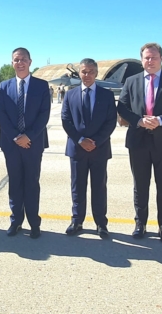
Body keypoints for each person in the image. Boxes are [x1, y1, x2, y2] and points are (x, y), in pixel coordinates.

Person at [117, 43, 162, 244]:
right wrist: (139, 120)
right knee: (140, 185)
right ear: (142, 60)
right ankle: (140, 223)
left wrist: (161, 120)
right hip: (138, 141)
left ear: (161, 59)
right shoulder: (131, 81)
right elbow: (122, 108)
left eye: (154, 57)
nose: (150, 61)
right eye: (147, 58)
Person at [0, 47, 51, 239]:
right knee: (15, 183)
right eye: (16, 60)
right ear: (12, 63)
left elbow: (44, 115)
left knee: (32, 183)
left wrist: (28, 136)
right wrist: (15, 137)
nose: (20, 63)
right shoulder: (4, 86)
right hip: (11, 144)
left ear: (30, 62)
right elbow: (1, 114)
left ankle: (34, 223)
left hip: (33, 143)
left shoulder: (42, 86)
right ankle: (16, 221)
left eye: (23, 59)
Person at [61, 59, 117, 238]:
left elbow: (110, 122)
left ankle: (101, 223)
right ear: (79, 73)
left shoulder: (106, 95)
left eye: (91, 71)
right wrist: (80, 140)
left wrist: (96, 141)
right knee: (77, 186)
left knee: (99, 187)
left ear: (96, 73)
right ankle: (77, 220)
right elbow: (66, 120)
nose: (87, 75)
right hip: (77, 149)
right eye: (84, 72)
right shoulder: (70, 95)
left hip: (98, 149)